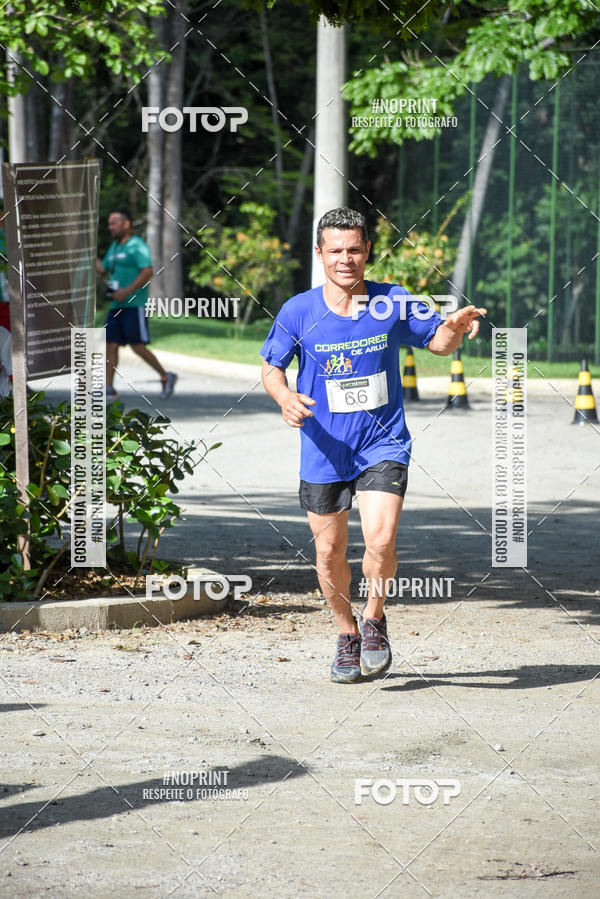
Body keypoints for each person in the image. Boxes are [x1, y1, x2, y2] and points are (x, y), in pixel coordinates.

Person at [260, 207, 486, 684]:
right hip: (323, 447)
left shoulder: (391, 302)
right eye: (336, 250)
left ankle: (374, 618)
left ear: (368, 252)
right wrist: (283, 397)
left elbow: (438, 343)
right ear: (320, 254)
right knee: (329, 554)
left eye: (355, 249)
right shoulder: (297, 310)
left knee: (380, 540)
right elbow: (272, 366)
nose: (346, 259)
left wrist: (455, 325)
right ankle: (346, 634)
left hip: (382, 442)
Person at [96, 208, 177, 401]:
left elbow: (148, 272)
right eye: (109, 223)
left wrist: (126, 291)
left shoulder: (137, 245)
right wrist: (88, 252)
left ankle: (166, 376)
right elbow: (103, 270)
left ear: (126, 224)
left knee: (137, 346)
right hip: (116, 306)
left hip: (134, 305)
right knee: (111, 345)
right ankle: (108, 388)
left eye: (114, 222)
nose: (110, 227)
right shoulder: (114, 248)